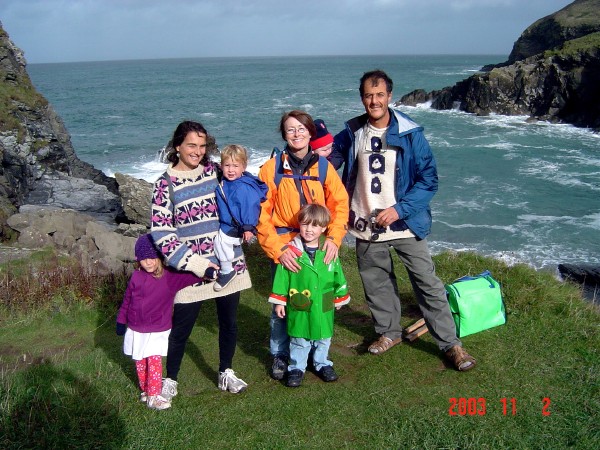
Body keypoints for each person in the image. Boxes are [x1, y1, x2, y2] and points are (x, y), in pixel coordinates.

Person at [329, 69, 476, 371]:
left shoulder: (411, 134)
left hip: (405, 223)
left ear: (389, 96)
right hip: (365, 225)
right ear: (362, 98)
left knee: (427, 284)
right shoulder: (351, 133)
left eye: (379, 95)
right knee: (377, 283)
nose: (374, 101)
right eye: (368, 96)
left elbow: (429, 180)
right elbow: (328, 165)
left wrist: (399, 209)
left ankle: (451, 345)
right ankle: (389, 333)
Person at [150, 120, 252, 399]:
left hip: (229, 263)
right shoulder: (164, 184)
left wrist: (248, 224)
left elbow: (243, 190)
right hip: (191, 271)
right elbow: (162, 233)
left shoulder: (216, 172)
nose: (197, 151)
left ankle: (226, 372)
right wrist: (198, 265)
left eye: (202, 145)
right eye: (191, 145)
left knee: (229, 323)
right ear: (178, 146)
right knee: (181, 329)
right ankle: (170, 378)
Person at [257, 110, 349, 380]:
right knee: (282, 304)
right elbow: (260, 214)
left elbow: (340, 205)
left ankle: (315, 356)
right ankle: (281, 355)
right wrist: (278, 250)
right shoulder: (271, 168)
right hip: (286, 246)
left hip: (318, 245)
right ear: (284, 135)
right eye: (290, 130)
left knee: (318, 301)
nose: (296, 134)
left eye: (301, 129)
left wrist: (333, 239)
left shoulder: (323, 167)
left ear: (311, 133)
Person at [116, 234, 202, 410]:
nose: (148, 262)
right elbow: (127, 301)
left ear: (159, 257)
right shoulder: (136, 277)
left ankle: (154, 396)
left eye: (152, 258)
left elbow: (191, 277)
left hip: (157, 329)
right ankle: (146, 391)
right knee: (140, 361)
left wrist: (208, 272)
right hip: (136, 328)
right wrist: (121, 320)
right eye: (143, 259)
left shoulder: (169, 278)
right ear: (138, 260)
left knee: (154, 361)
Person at [269, 204, 350, 387]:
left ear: (323, 228)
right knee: (300, 335)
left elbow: (338, 274)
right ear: (299, 225)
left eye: (314, 226)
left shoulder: (329, 250)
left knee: (324, 335)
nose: (309, 230)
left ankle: (322, 363)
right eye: (305, 225)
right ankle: (297, 367)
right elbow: (281, 279)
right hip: (300, 301)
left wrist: (340, 296)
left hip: (325, 300)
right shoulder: (290, 251)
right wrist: (280, 301)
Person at [213, 144, 268, 291]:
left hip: (236, 225)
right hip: (230, 221)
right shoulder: (229, 180)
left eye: (235, 166)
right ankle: (228, 262)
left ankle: (227, 270)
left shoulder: (243, 187)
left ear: (243, 167)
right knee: (220, 241)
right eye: (227, 165)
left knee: (220, 241)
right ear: (221, 166)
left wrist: (248, 227)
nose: (231, 170)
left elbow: (250, 206)